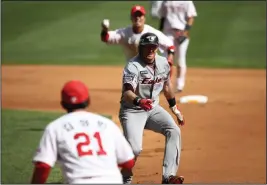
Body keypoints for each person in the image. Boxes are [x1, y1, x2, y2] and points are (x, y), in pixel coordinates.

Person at [30, 80, 135, 184]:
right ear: (88, 101)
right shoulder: (107, 124)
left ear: (63, 104)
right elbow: (128, 162)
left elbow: (43, 166)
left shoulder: (54, 127)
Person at [119, 32, 185, 184]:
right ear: (141, 48)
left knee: (174, 130)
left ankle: (168, 177)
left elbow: (167, 87)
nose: (150, 50)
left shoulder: (163, 63)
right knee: (135, 149)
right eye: (147, 47)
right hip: (132, 110)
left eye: (153, 47)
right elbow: (127, 92)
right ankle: (123, 177)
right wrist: (139, 101)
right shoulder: (132, 66)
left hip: (153, 108)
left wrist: (175, 109)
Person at [101, 5, 175, 76]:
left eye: (140, 15)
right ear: (131, 18)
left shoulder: (152, 32)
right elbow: (106, 38)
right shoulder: (125, 33)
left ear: (144, 18)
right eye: (135, 15)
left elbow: (170, 45)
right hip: (132, 70)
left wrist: (170, 58)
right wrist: (104, 30)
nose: (137, 18)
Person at [158, 1, 197, 92]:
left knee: (180, 59)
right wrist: (160, 32)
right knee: (165, 59)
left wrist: (185, 32)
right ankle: (165, 84)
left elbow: (191, 18)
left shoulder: (187, 2)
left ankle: (180, 85)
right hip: (168, 32)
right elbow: (163, 17)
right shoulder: (165, 2)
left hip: (181, 32)